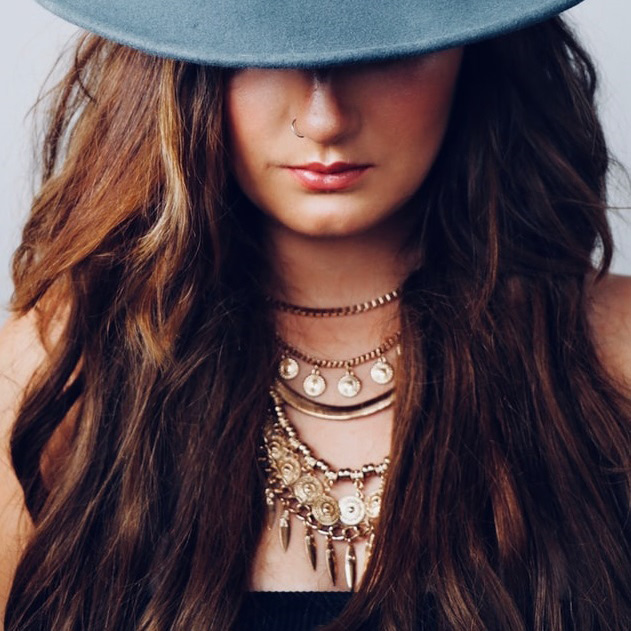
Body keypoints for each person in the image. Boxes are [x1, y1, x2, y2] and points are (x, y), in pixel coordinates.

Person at [1, 0, 631, 629]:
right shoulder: (53, 381)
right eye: (263, 54)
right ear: (175, 68)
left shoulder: (616, 354)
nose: (324, 119)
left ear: (476, 51)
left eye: (385, 50)